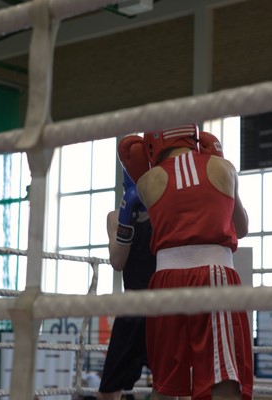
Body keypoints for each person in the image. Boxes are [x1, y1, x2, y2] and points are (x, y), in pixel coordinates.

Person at [137, 124, 253, 400]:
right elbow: (242, 228)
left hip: (166, 282)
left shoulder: (146, 181)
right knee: (223, 380)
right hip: (214, 277)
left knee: (164, 384)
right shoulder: (224, 168)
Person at [99, 134, 156, 400]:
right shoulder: (115, 216)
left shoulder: (164, 212)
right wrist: (127, 217)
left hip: (164, 307)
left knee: (171, 388)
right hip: (131, 309)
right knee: (108, 391)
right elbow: (117, 262)